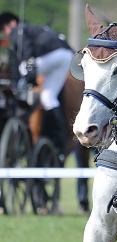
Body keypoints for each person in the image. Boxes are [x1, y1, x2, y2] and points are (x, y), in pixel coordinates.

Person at [0, 12, 75, 152]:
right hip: (66, 56)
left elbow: (27, 50)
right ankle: (61, 138)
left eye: (4, 29)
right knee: (48, 98)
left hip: (53, 55)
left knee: (22, 68)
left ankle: (21, 104)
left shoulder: (18, 29)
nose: (6, 33)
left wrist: (29, 67)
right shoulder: (33, 29)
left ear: (11, 23)